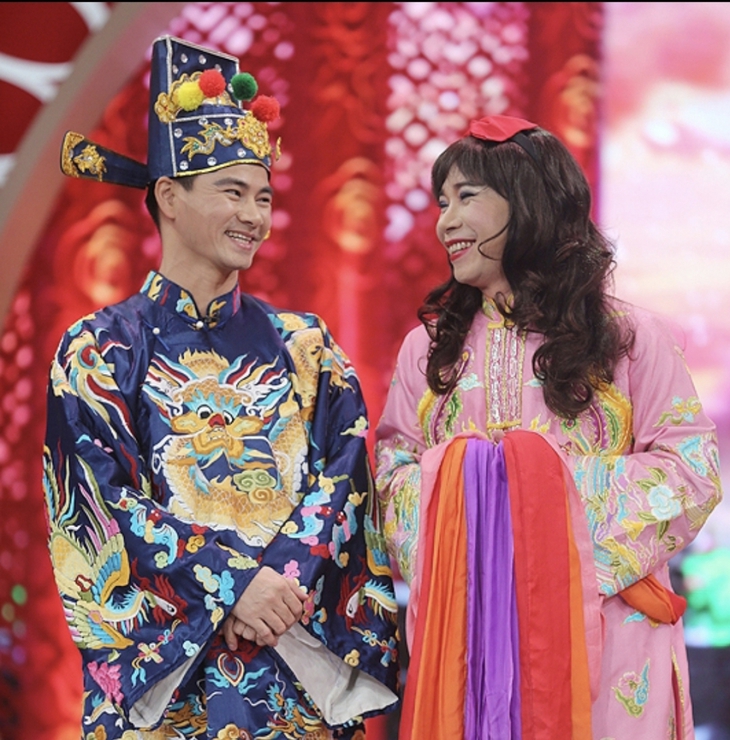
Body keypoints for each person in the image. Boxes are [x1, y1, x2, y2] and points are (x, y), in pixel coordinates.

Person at [42, 35, 399, 740]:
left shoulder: (308, 348)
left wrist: (276, 590)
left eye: (263, 197)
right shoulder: (99, 350)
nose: (254, 216)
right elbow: (101, 504)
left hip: (294, 666)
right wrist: (234, 585)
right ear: (168, 196)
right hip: (170, 683)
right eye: (232, 192)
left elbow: (344, 481)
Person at [374, 115, 722, 739]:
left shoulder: (629, 338)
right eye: (442, 202)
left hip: (607, 637)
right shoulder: (426, 352)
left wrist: (533, 498)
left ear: (528, 202)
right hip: (470, 639)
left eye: (466, 197)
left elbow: (692, 470)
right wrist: (475, 503)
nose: (445, 222)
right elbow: (390, 471)